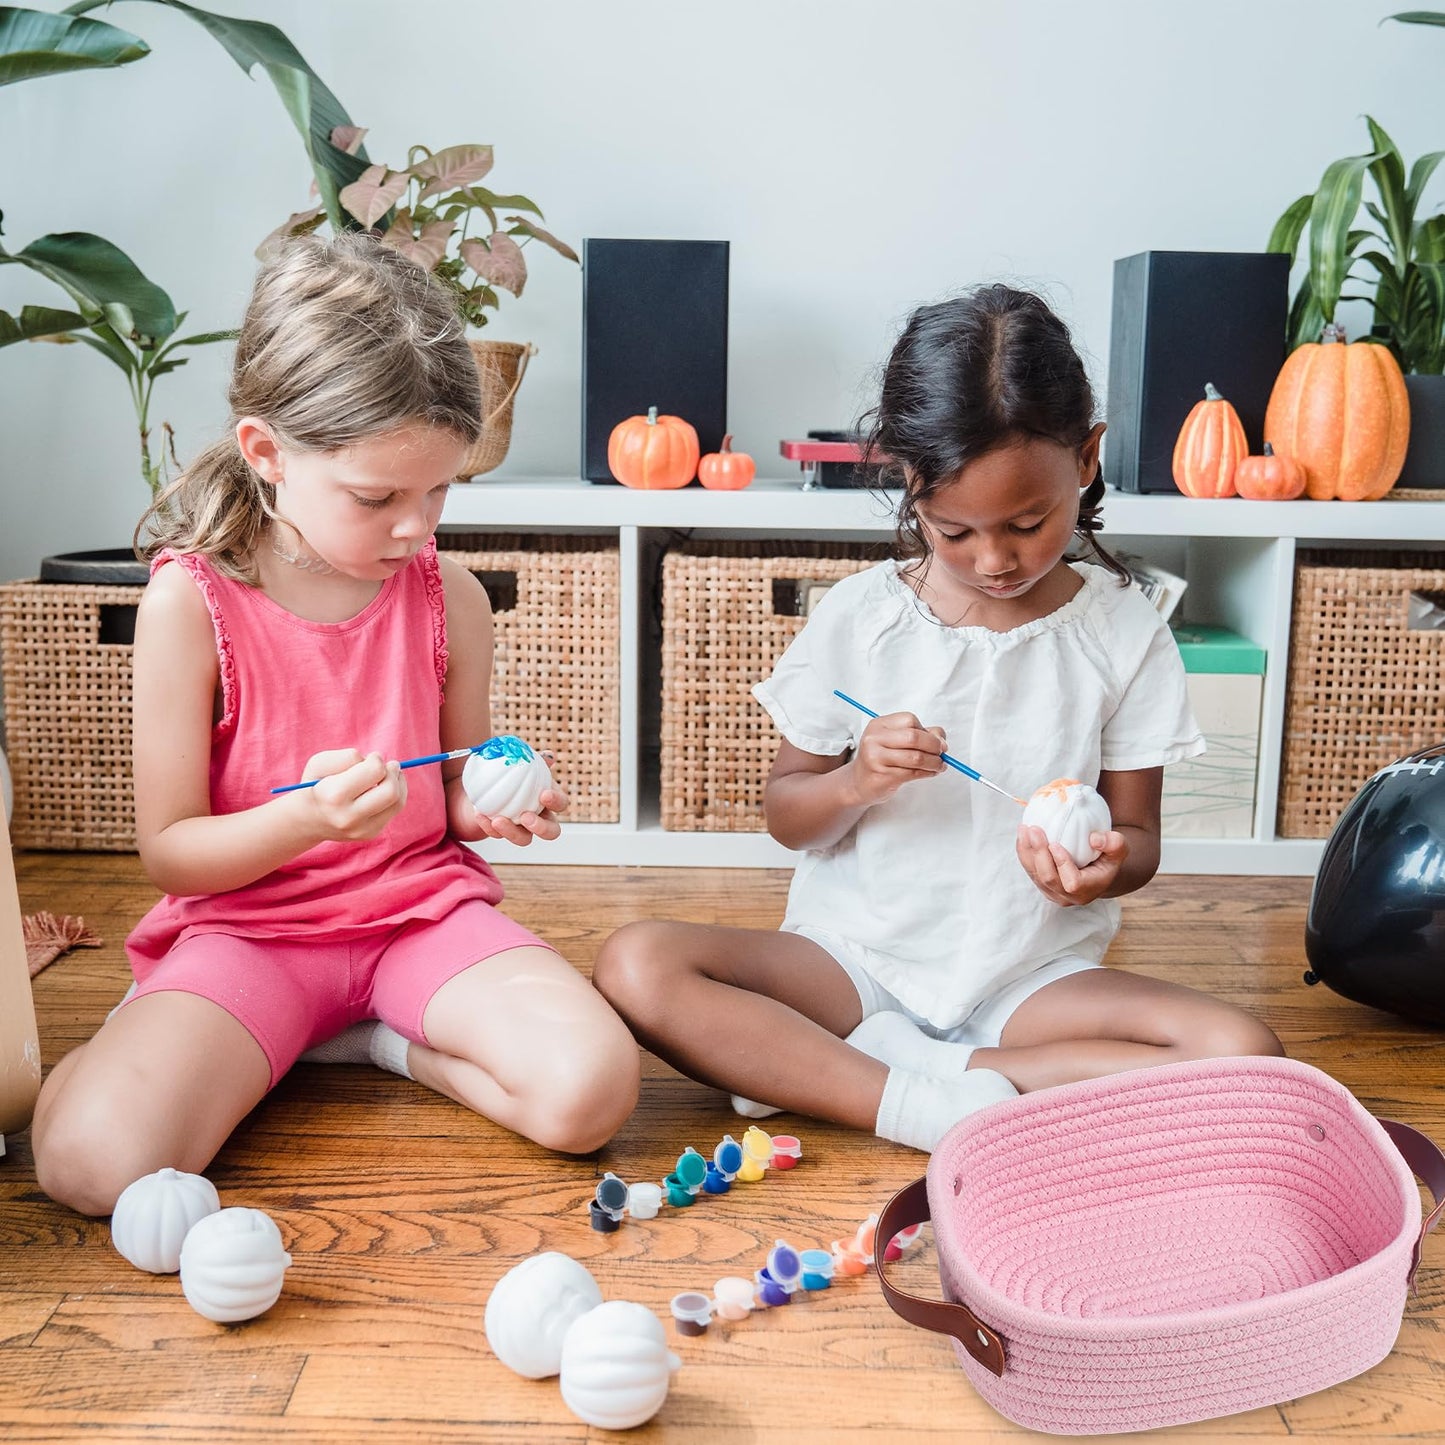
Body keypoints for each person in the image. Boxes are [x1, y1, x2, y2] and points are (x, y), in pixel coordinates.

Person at [594, 284, 1283, 1153]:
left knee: (1243, 1052)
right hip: (853, 961)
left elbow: (1138, 837)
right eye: (953, 530)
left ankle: (894, 1071)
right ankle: (912, 1101)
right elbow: (788, 817)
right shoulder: (861, 617)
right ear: (905, 481)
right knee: (636, 963)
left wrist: (1103, 867)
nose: (994, 559)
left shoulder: (1123, 630)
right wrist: (852, 780)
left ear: (1086, 458)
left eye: (1027, 524)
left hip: (1030, 978)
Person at [32, 234, 639, 1216]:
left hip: (415, 919)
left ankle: (382, 1042)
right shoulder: (191, 604)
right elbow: (172, 852)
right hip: (249, 934)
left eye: (439, 491)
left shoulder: (451, 595)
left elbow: (445, 794)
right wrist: (305, 820)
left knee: (590, 1091)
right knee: (89, 1164)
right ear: (266, 453)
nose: (415, 527)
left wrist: (489, 804)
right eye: (377, 497)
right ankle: (198, 1037)